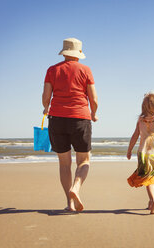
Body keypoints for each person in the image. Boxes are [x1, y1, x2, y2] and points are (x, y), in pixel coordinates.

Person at [42, 38, 98, 212]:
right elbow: (93, 99)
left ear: (64, 52)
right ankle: (76, 187)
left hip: (57, 119)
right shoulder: (85, 70)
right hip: (80, 118)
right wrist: (94, 114)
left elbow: (46, 97)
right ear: (79, 54)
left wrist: (46, 108)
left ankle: (70, 203)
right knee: (84, 160)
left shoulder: (52, 70)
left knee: (64, 164)